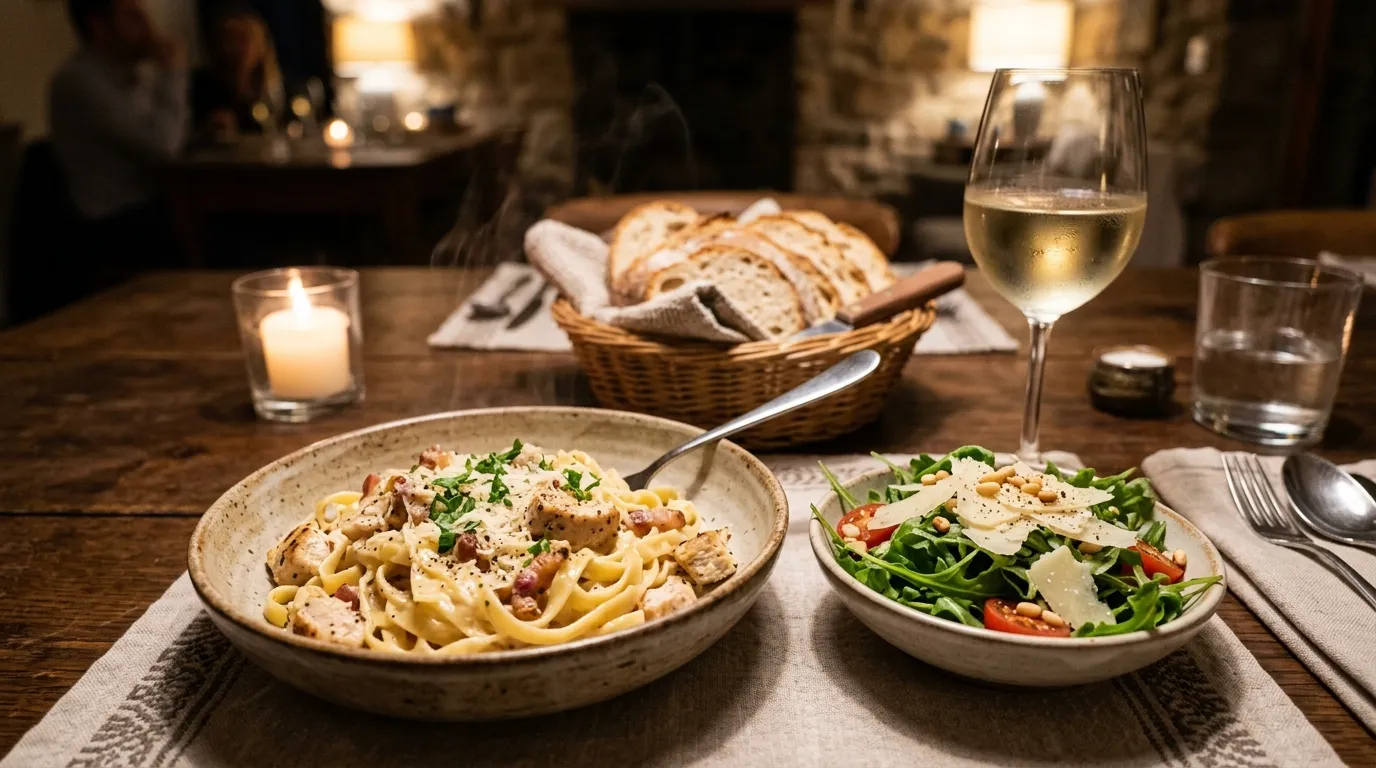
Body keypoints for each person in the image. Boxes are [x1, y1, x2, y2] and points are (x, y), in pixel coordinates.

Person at [48, 0, 186, 277]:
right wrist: (174, 73)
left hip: (146, 208)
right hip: (115, 223)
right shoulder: (80, 81)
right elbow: (162, 147)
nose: (150, 28)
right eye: (134, 18)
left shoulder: (133, 74)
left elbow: (163, 136)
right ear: (99, 27)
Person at [192, 7, 282, 143]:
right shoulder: (202, 85)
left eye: (242, 39)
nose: (233, 48)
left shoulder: (278, 86)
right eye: (227, 39)